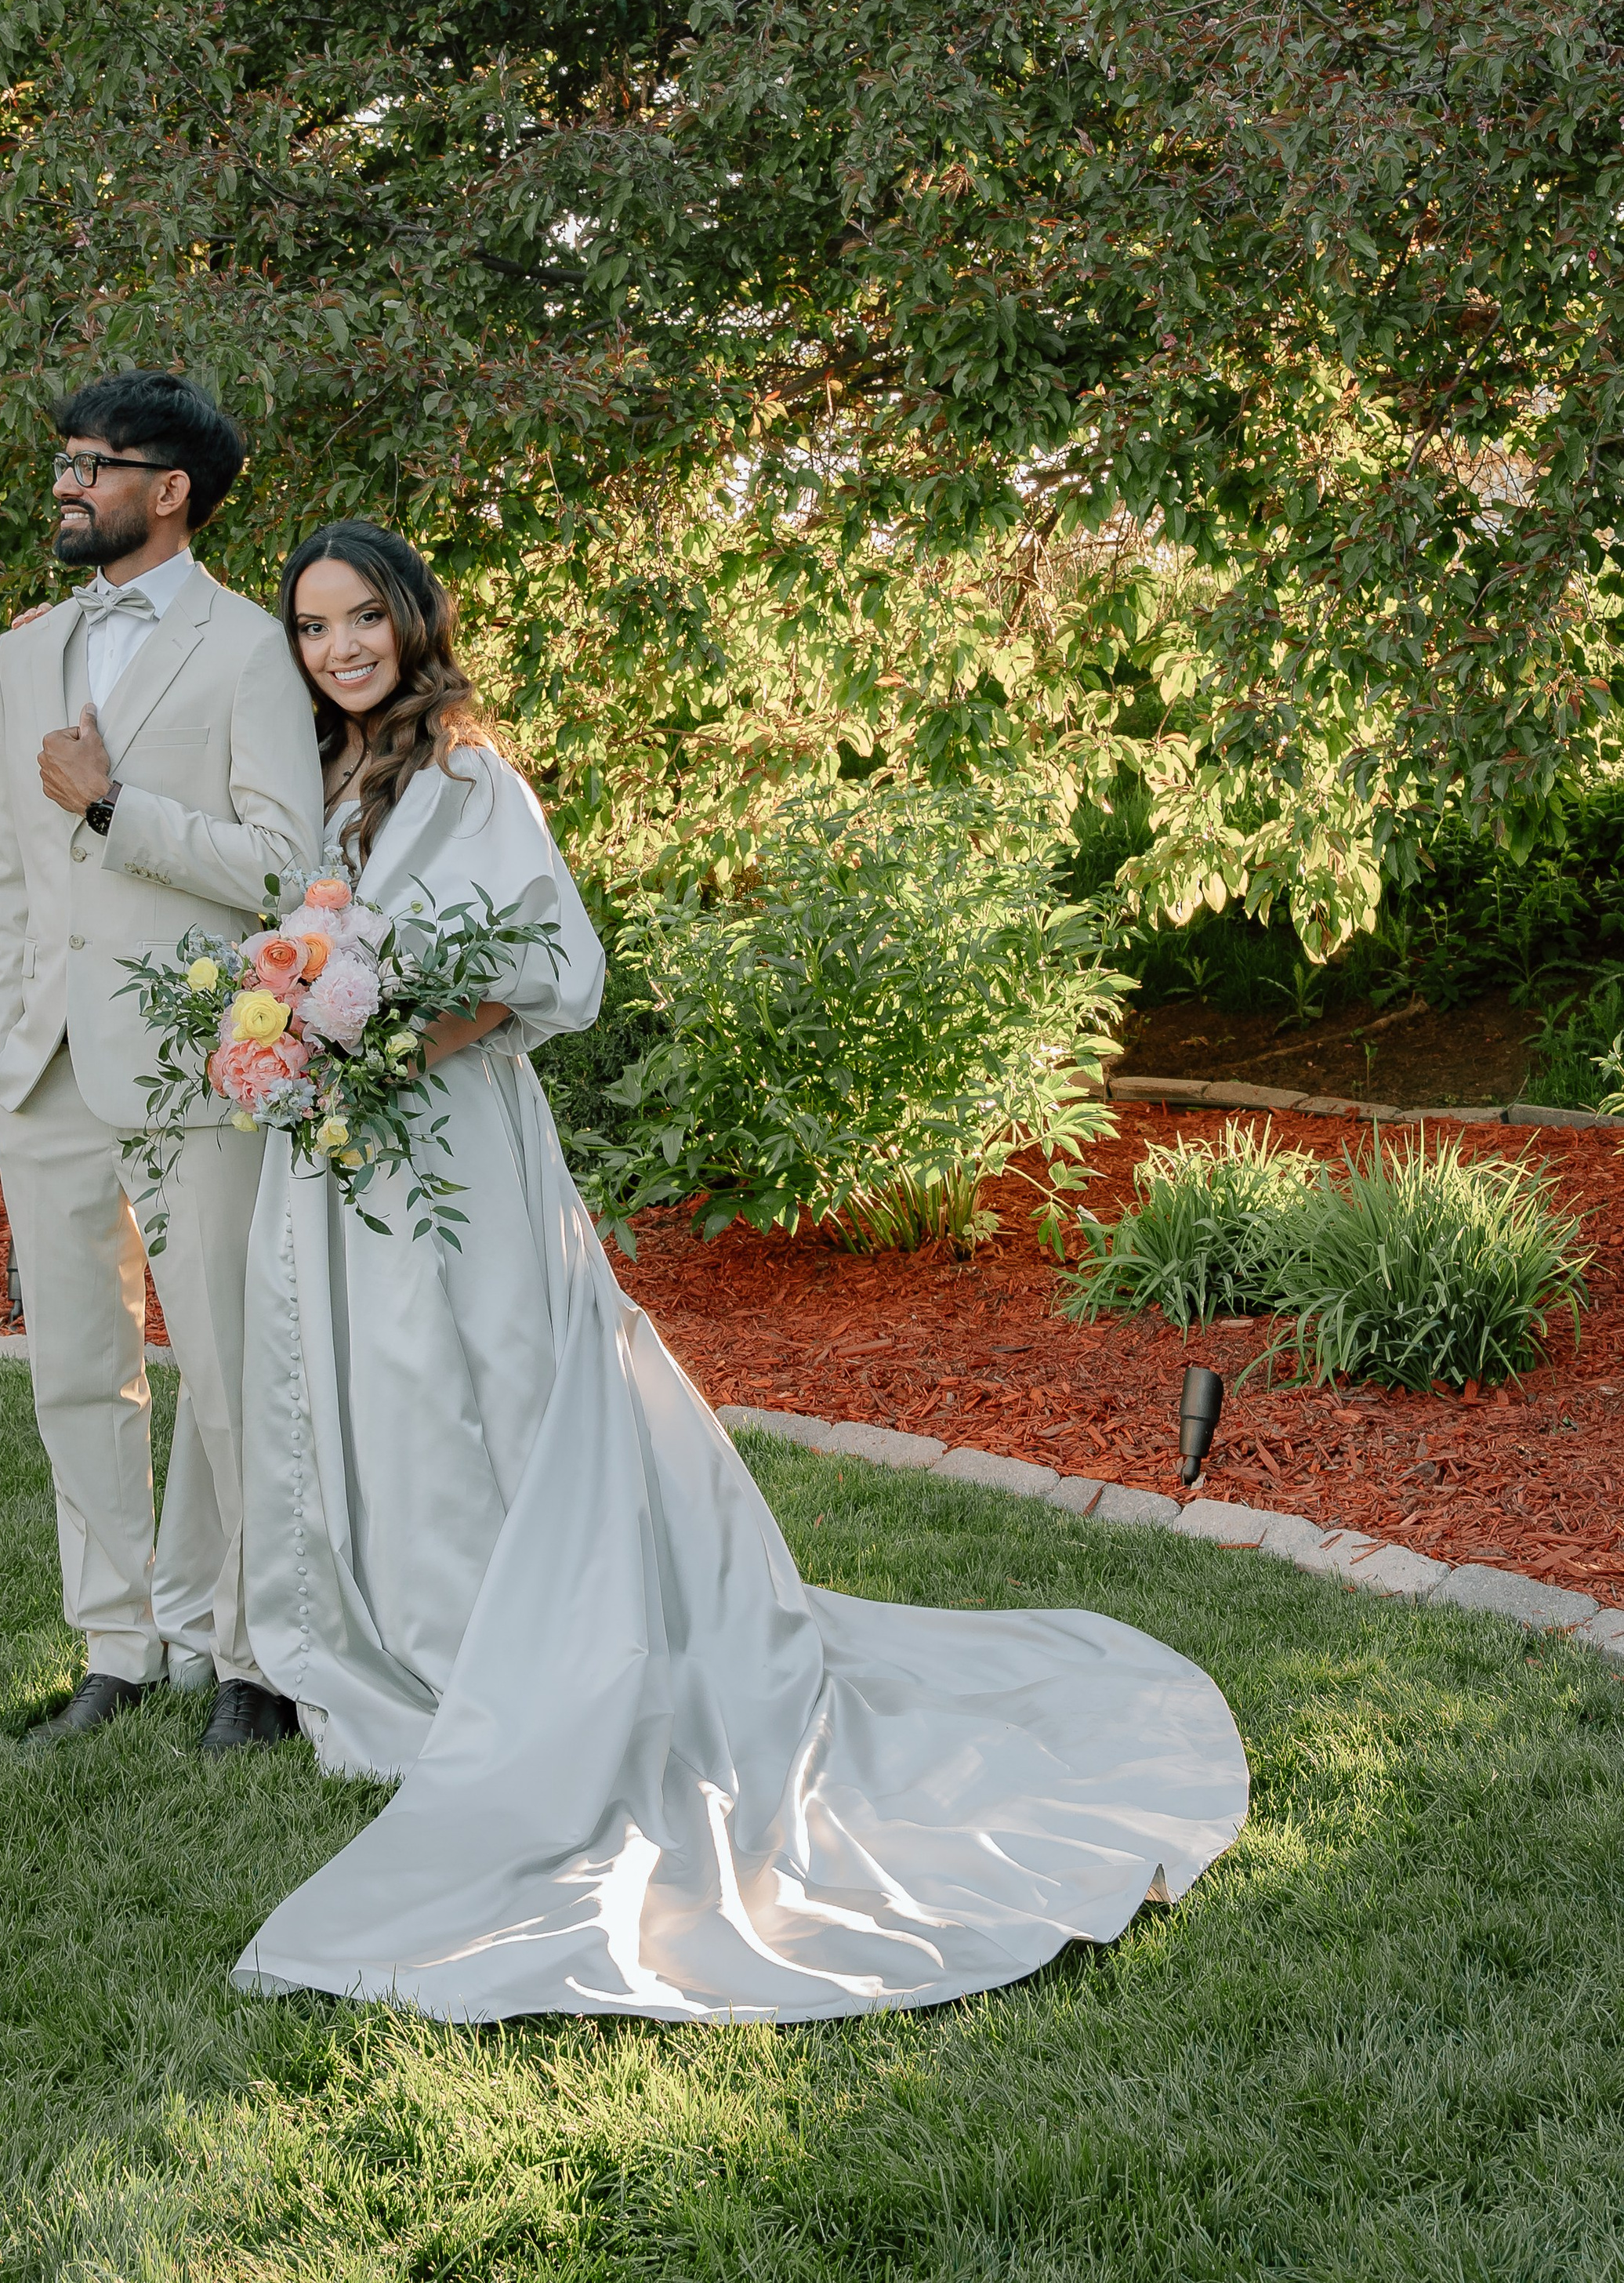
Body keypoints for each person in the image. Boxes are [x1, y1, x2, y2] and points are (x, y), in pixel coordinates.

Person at [232, 521, 1250, 2020]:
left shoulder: (465, 775)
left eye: (360, 619)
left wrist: (408, 1033)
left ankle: (532, 1674)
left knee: (494, 1379)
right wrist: (297, 1021)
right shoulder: (333, 783)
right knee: (390, 1387)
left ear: (412, 619)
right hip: (356, 1143)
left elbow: (560, 972)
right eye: (313, 629)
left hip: (453, 1134)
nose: (339, 649)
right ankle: (418, 1659)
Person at [0, 370, 324, 1751]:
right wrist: (10, 1035)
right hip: (45, 1065)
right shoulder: (23, 654)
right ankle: (115, 1644)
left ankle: (251, 1653)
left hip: (190, 1058)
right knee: (76, 1365)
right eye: (64, 456)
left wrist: (119, 810)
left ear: (169, 490)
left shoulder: (248, 648)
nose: (68, 480)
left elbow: (287, 867)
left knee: (227, 1374)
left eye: (93, 460)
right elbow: (7, 867)